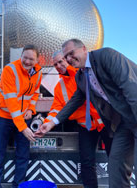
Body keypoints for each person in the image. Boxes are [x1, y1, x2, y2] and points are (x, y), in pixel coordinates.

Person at [36, 38, 137, 188]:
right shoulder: (81, 77)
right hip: (118, 122)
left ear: (83, 48)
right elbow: (74, 101)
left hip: (128, 117)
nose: (69, 59)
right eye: (66, 57)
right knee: (116, 165)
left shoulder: (106, 56)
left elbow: (132, 90)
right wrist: (51, 123)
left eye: (71, 54)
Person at [42, 50, 112, 188]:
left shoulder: (85, 73)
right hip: (85, 126)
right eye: (55, 64)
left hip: (104, 123)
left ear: (69, 58)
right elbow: (56, 109)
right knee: (86, 162)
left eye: (61, 61)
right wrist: (46, 124)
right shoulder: (59, 87)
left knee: (115, 159)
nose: (58, 65)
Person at [0, 44, 42, 188]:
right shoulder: (10, 70)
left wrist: (31, 109)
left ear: (37, 60)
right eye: (25, 57)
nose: (27, 61)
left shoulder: (38, 73)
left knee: (23, 156)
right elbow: (11, 101)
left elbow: (35, 93)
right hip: (3, 117)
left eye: (31, 59)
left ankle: (18, 185)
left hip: (24, 117)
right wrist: (23, 128)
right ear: (21, 55)